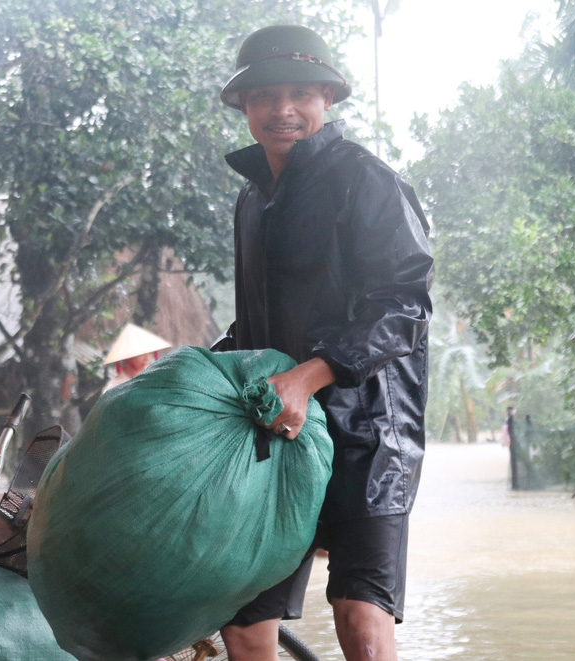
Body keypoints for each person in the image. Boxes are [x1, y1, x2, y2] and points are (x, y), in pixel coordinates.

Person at [211, 25, 434, 661]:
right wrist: (193, 368)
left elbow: (404, 304)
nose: (283, 109)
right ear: (244, 108)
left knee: (362, 617)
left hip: (369, 435)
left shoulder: (366, 182)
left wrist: (309, 377)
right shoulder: (252, 200)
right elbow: (252, 327)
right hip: (277, 431)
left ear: (327, 100)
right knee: (245, 619)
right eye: (265, 95)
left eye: (300, 93)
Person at [100, 323, 171, 392]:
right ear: (128, 357)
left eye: (149, 352)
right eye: (142, 354)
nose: (147, 359)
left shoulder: (157, 375)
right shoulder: (113, 388)